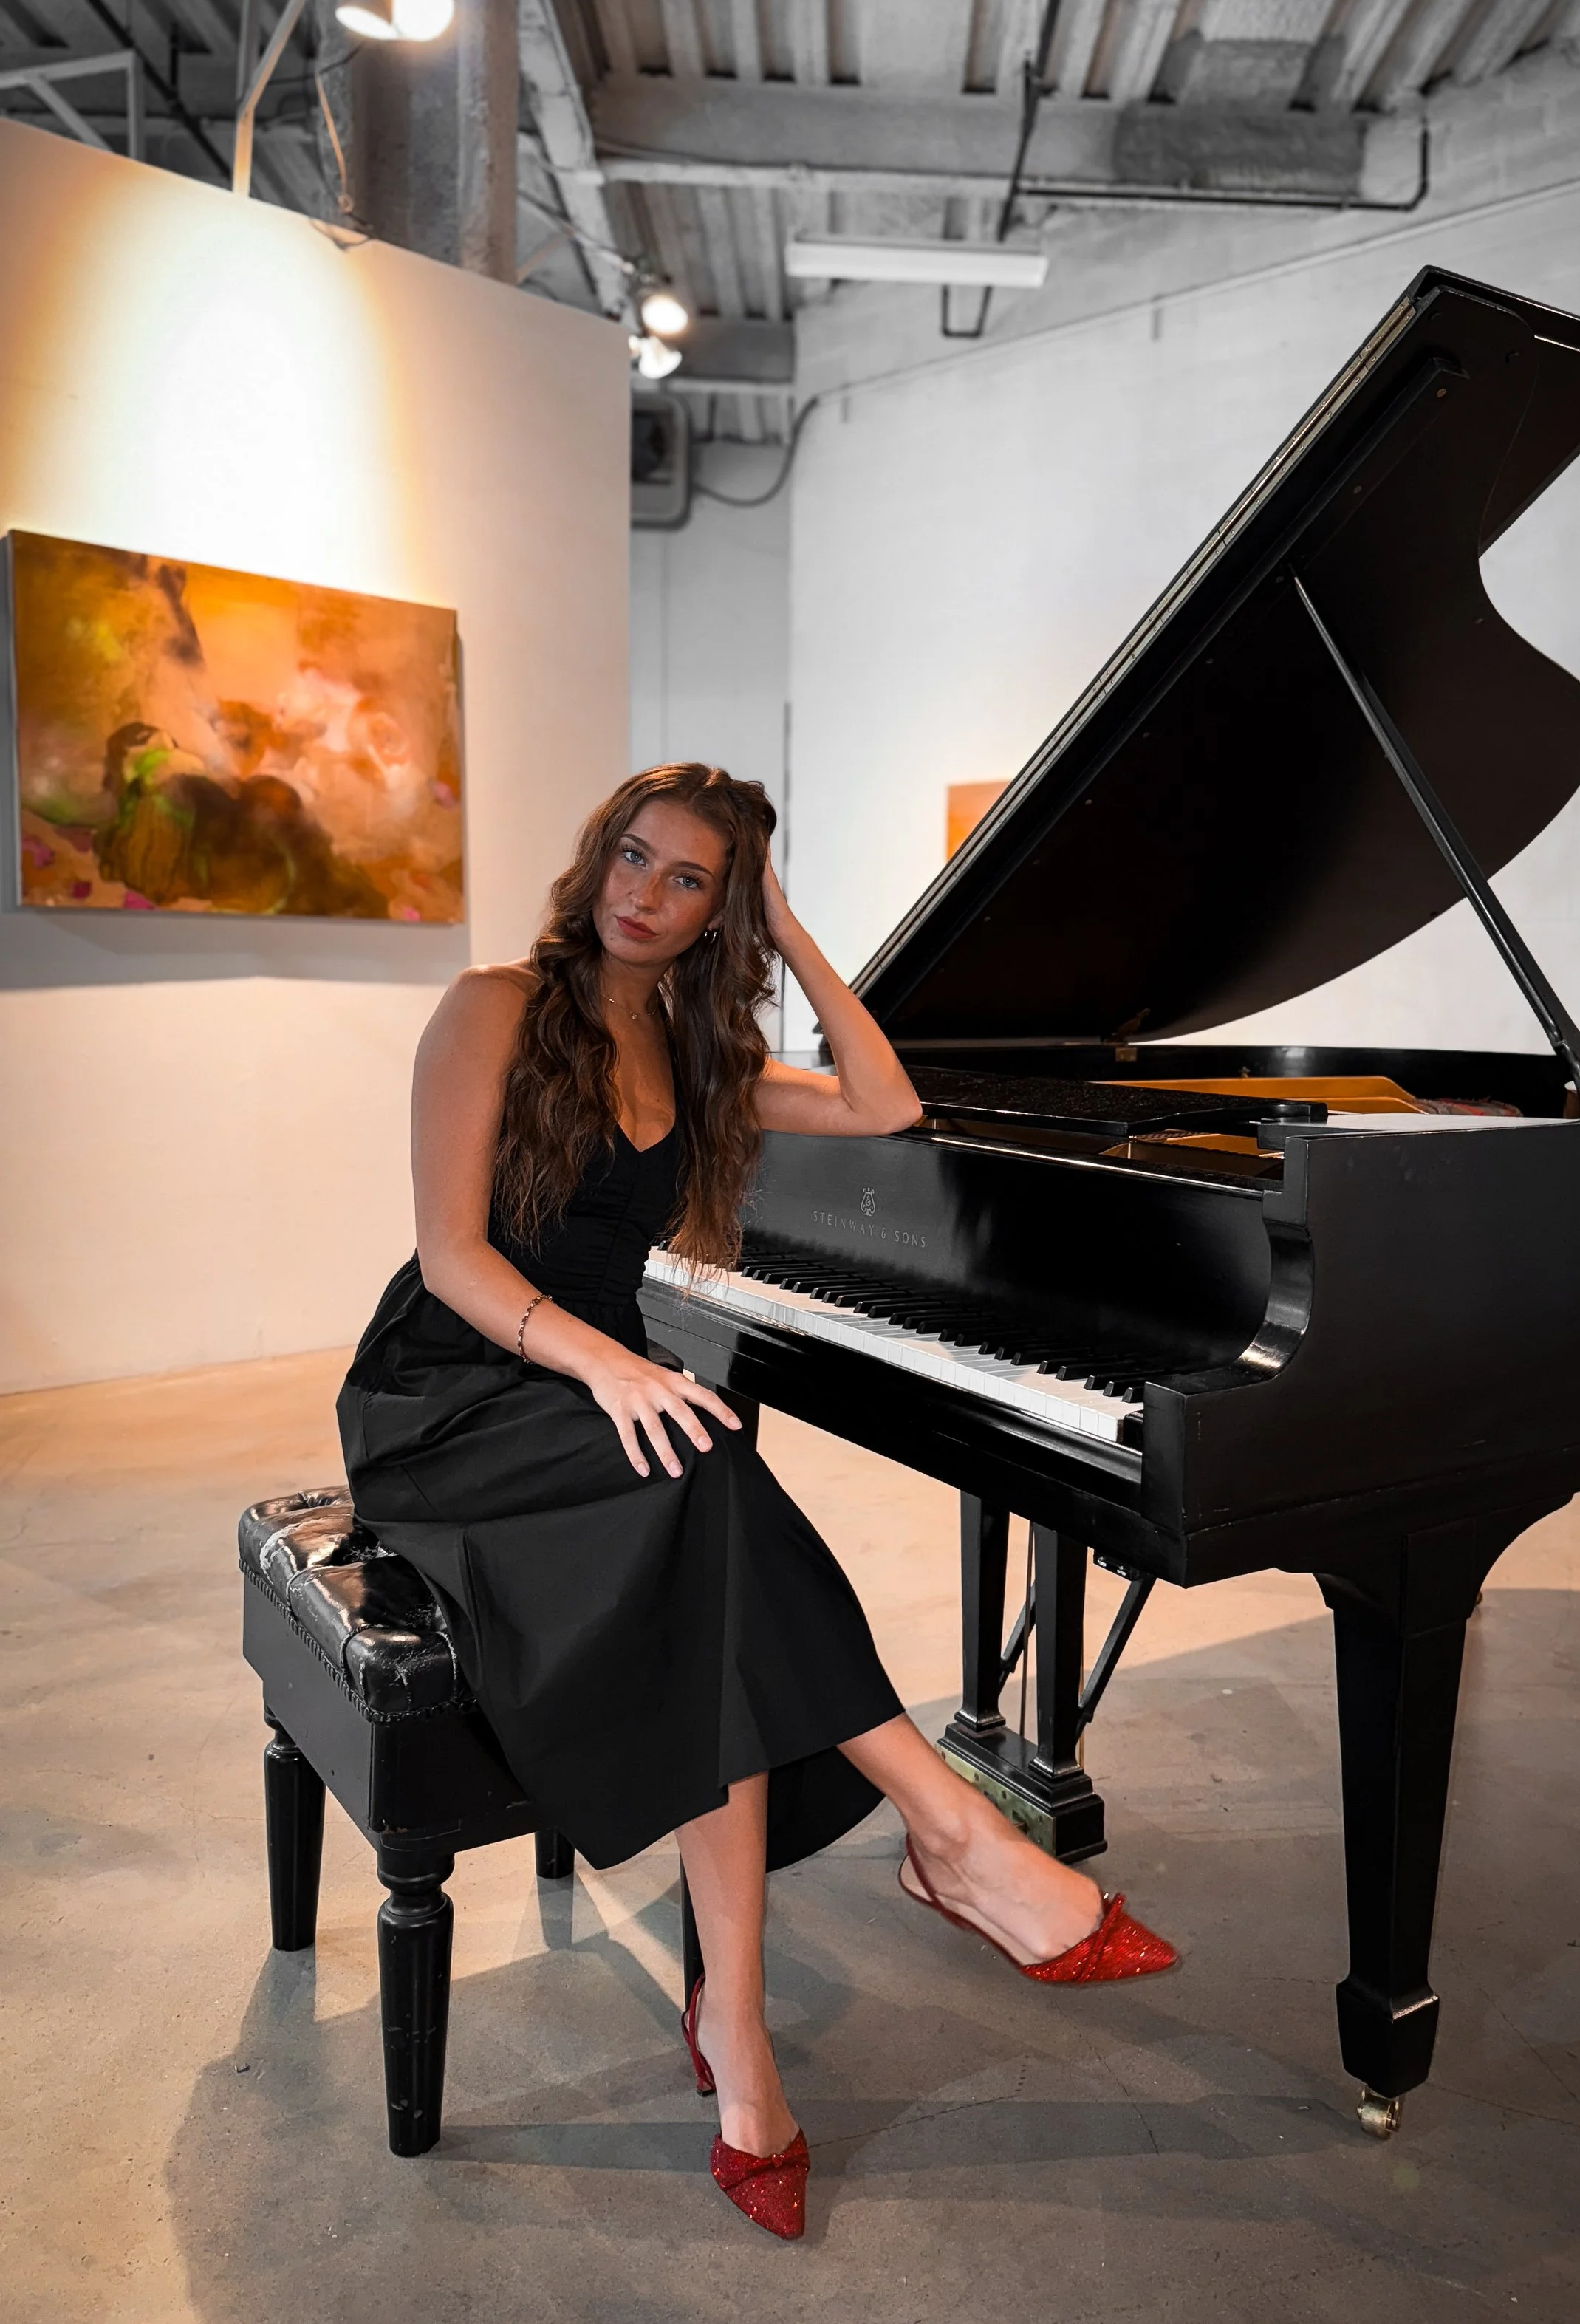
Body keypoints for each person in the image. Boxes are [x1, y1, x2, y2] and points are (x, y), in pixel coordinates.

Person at [338, 763, 1174, 2240]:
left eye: (688, 881)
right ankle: (948, 1831)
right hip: (457, 1396)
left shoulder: (689, 1043)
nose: (644, 897)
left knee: (702, 1515)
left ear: (721, 907)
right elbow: (454, 1254)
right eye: (633, 859)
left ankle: (745, 2036)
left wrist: (786, 930)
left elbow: (885, 1098)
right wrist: (606, 1369)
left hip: (591, 1397)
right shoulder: (489, 1006)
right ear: (595, 854)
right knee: (704, 1454)